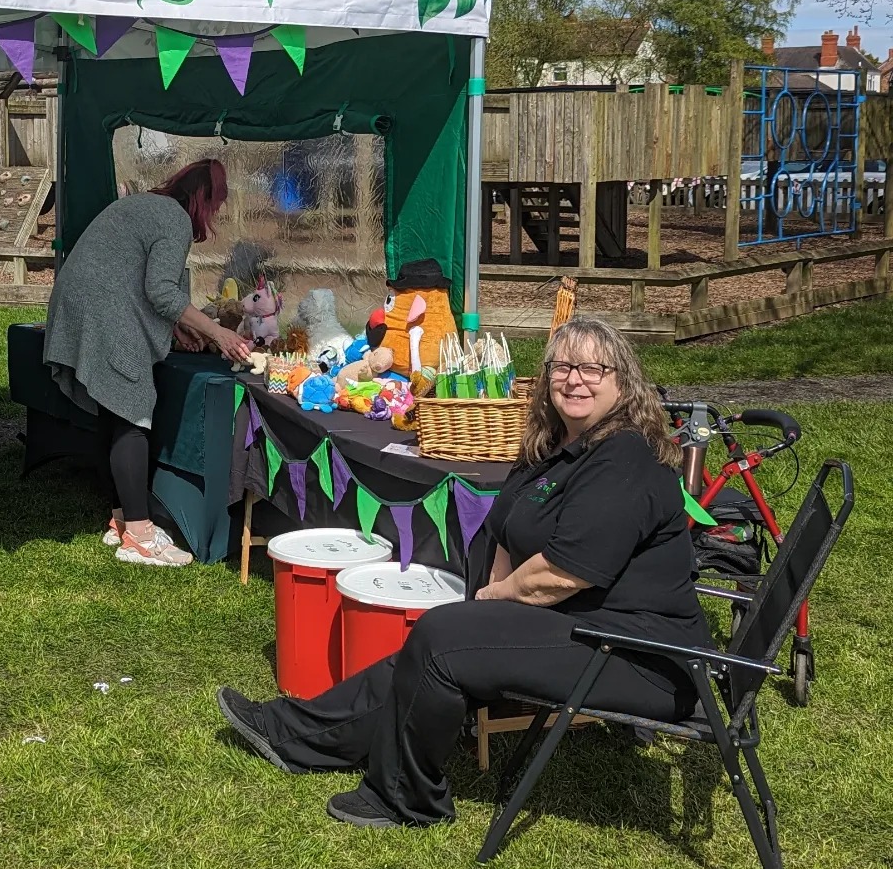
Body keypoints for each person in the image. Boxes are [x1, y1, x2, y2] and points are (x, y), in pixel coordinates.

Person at [217, 316, 713, 827]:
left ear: (622, 383)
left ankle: (405, 797)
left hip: (643, 654)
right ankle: (295, 733)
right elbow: (506, 527)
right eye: (562, 366)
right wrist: (485, 599)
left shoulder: (623, 456)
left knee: (444, 638)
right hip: (586, 625)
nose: (574, 379)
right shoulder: (557, 448)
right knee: (438, 639)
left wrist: (489, 604)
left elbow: (565, 573)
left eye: (592, 368)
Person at [44, 158, 250, 567]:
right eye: (219, 204)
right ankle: (140, 535)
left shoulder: (144, 205)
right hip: (105, 315)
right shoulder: (172, 218)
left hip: (80, 305)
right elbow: (160, 292)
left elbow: (133, 276)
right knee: (132, 418)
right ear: (203, 198)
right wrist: (218, 333)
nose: (218, 214)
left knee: (112, 413)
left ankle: (121, 519)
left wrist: (177, 328)